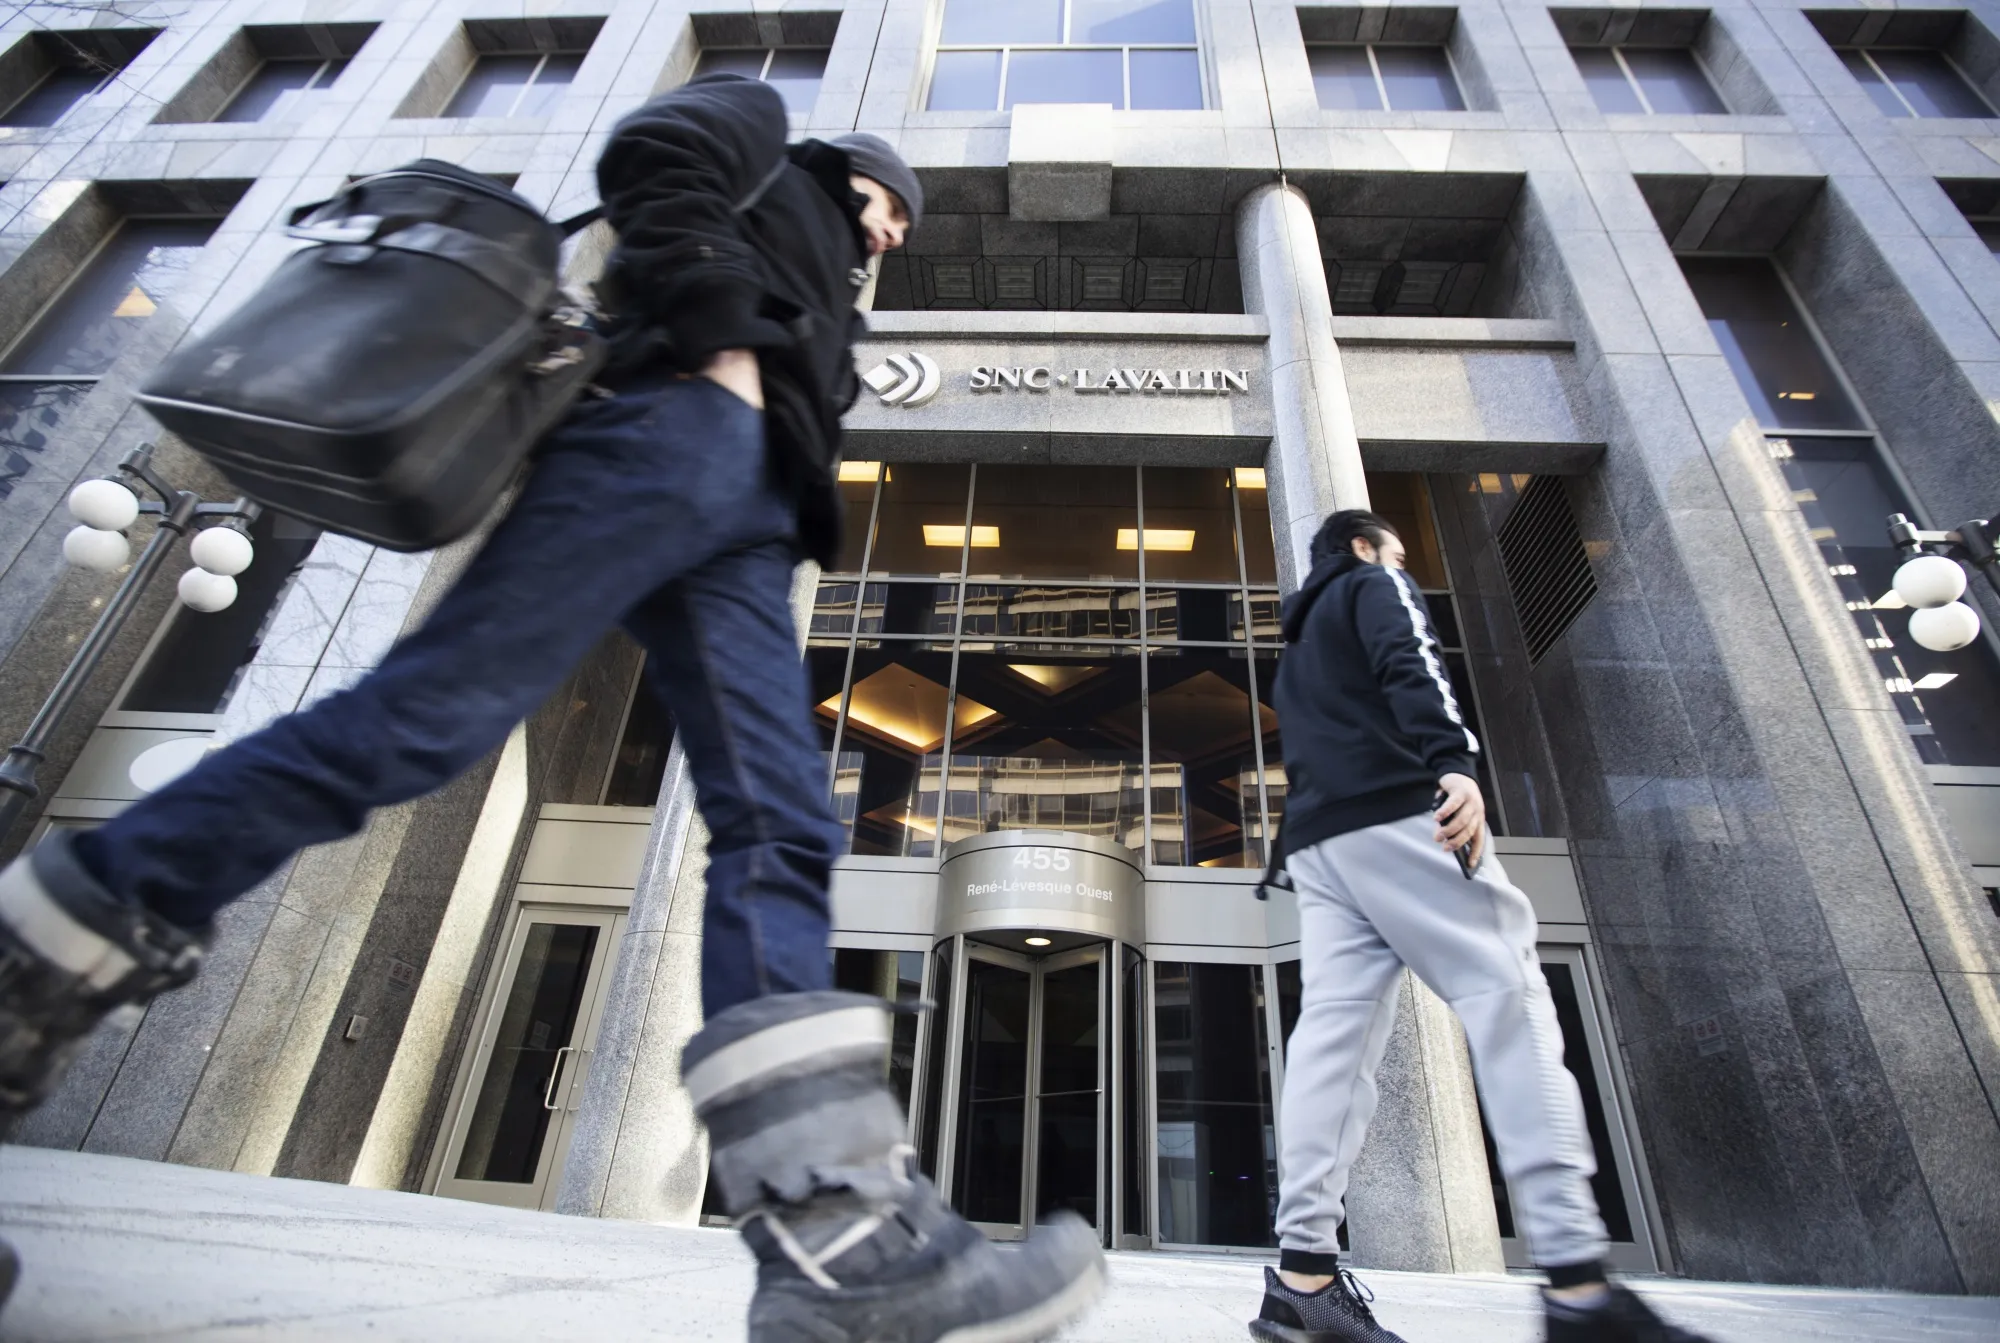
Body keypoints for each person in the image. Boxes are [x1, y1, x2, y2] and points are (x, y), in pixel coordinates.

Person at [0, 74, 1103, 1342]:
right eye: (890, 206)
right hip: (666, 434)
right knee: (428, 720)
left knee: (783, 823)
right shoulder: (766, 141)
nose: (893, 231)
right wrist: (724, 347)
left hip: (742, 521)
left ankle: (837, 1233)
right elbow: (655, 148)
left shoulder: (826, 281)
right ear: (851, 170)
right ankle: (36, 947)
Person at [1247, 510, 1713, 1343]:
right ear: (1362, 546)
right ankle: (1578, 1286)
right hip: (1399, 818)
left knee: (1333, 1044)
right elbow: (1412, 661)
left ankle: (1301, 1277)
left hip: (1319, 847)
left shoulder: (1297, 648)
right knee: (1509, 994)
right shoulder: (1372, 581)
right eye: (1395, 551)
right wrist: (1453, 762)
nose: (1404, 566)